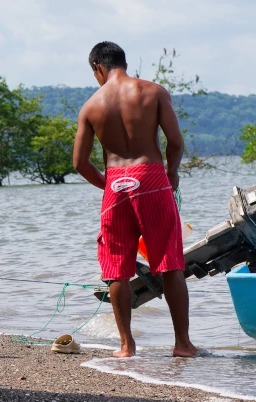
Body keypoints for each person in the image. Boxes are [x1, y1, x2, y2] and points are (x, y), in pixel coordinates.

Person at [73, 41, 198, 358]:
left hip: (116, 184)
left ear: (98, 68)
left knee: (116, 269)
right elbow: (175, 142)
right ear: (121, 63)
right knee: (169, 264)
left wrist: (109, 186)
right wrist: (171, 174)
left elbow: (79, 163)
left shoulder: (90, 106)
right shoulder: (153, 92)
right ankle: (182, 345)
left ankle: (126, 346)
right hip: (152, 179)